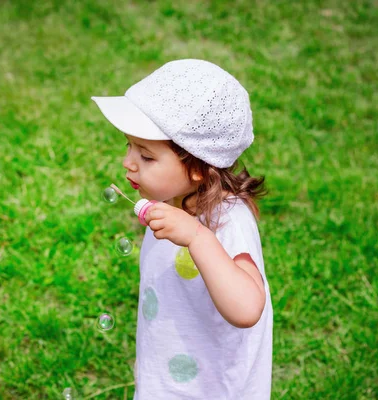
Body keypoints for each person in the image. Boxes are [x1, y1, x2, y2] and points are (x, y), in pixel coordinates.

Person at [91, 59, 272, 400]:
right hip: (168, 383)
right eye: (129, 146)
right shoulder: (173, 202)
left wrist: (197, 237)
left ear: (198, 168)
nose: (128, 162)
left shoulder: (227, 220)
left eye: (146, 156)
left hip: (213, 390)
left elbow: (247, 309)